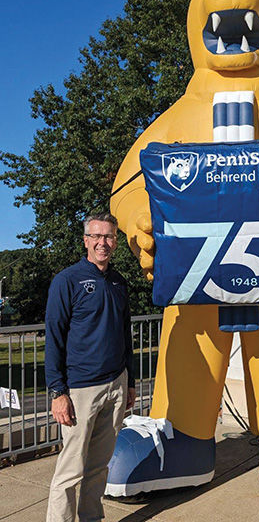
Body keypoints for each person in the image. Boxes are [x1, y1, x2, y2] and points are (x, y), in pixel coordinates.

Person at [45, 212, 136, 522]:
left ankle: (91, 518)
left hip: (116, 384)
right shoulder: (67, 280)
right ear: (85, 240)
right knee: (70, 470)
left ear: (115, 242)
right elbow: (54, 338)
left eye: (108, 236)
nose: (102, 242)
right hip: (81, 388)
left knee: (99, 467)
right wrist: (58, 391)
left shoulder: (118, 282)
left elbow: (126, 337)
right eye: (96, 236)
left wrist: (131, 383)